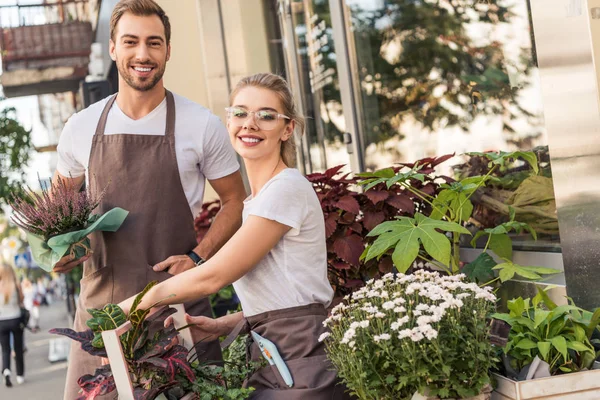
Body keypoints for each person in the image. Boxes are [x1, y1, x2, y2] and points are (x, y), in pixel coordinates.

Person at [52, 0, 247, 398]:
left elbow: (236, 203)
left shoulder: (201, 125)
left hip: (175, 305)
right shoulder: (80, 127)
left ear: (168, 51)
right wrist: (61, 249)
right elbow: (57, 215)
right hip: (102, 311)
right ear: (112, 48)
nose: (143, 54)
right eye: (131, 42)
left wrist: (197, 257)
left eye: (154, 43)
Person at [121, 73, 350, 399]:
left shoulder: (284, 189)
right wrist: (224, 325)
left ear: (288, 129)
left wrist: (133, 305)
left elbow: (213, 277)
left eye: (266, 115)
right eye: (240, 113)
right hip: (280, 355)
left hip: (298, 359)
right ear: (229, 121)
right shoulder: (259, 200)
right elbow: (290, 293)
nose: (250, 124)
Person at [0, 264, 25, 387]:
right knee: (18, 348)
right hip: (15, 319)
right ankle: (20, 375)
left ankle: (6, 370)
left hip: (1, 321)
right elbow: (21, 300)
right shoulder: (16, 285)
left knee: (5, 349)